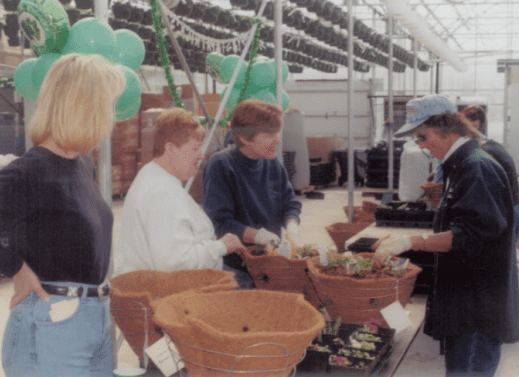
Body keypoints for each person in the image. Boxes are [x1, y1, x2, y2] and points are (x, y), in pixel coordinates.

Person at [376, 94, 519, 377]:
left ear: (446, 128)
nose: (421, 145)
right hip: (464, 296)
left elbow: (468, 235)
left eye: (423, 136)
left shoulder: (477, 167)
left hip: (477, 306)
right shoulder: (458, 165)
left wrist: (410, 242)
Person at [0, 53, 126, 376]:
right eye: (107, 105)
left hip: (93, 318)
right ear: (85, 107)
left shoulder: (83, 165)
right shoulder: (28, 172)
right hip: (51, 327)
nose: (111, 117)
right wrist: (16, 267)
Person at [115, 108, 245, 275]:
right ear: (169, 148)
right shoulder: (163, 192)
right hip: (162, 296)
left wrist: (208, 241)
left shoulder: (153, 176)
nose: (201, 156)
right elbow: (175, 262)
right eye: (195, 148)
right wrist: (220, 247)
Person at [202, 99, 303, 289]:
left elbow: (289, 204)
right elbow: (219, 223)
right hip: (235, 269)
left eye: (277, 132)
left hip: (270, 263)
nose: (277, 139)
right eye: (269, 134)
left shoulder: (273, 165)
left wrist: (292, 226)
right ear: (245, 138)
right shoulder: (221, 165)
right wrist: (258, 236)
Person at [462, 105, 519, 243]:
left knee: (502, 260)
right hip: (515, 208)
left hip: (507, 211)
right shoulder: (491, 145)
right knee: (507, 260)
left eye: (475, 126)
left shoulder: (482, 154)